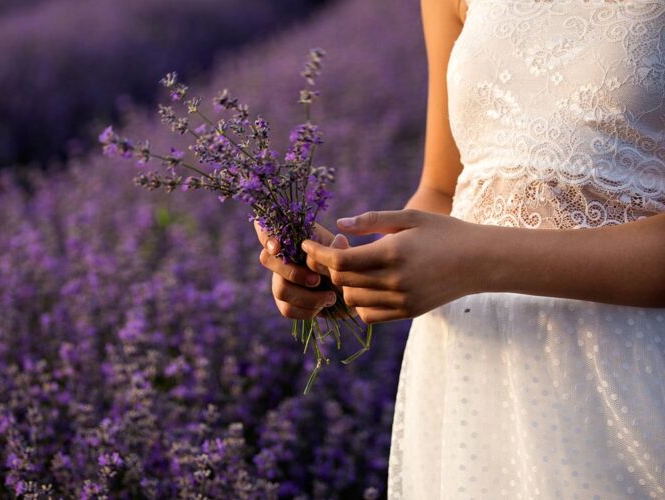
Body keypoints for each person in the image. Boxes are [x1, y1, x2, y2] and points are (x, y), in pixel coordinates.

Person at [255, 0, 665, 497]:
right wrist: (355, 271)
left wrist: (473, 261)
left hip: (627, 377)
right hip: (472, 384)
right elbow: (444, 189)